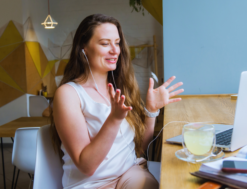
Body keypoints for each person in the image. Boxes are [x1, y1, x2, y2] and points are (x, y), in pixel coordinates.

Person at [50, 14, 184, 189]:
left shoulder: (119, 88)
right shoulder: (68, 94)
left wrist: (151, 111)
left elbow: (138, 150)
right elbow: (86, 166)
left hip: (128, 173)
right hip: (91, 184)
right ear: (84, 48)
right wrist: (114, 119)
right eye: (105, 43)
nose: (115, 50)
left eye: (117, 42)